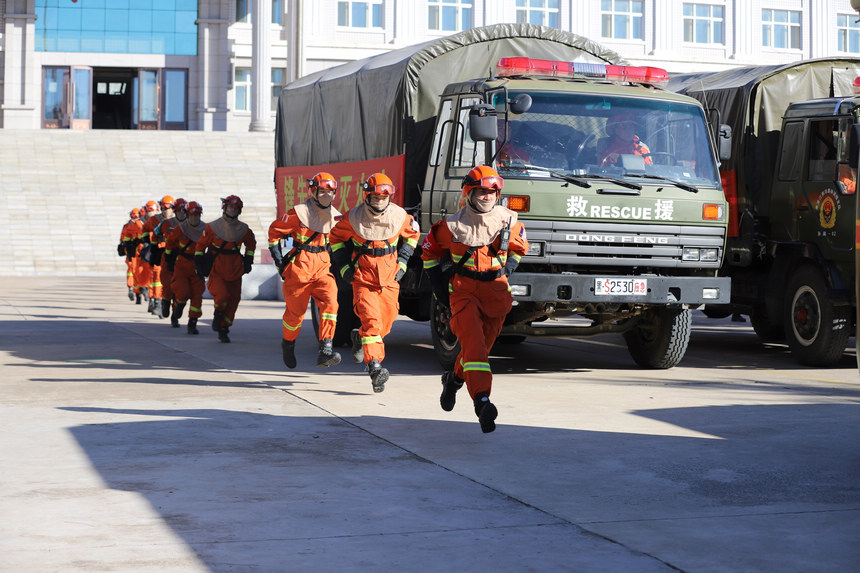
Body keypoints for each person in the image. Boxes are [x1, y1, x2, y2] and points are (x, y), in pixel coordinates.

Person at [421, 165, 529, 433]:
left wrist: (508, 270)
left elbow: (519, 250)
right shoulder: (450, 226)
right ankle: (482, 401)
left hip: (496, 292)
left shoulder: (510, 221)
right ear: (469, 193)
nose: (487, 196)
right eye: (481, 191)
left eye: (492, 192)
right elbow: (429, 254)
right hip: (464, 292)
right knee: (473, 344)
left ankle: (454, 381)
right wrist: (440, 290)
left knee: (478, 350)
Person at [329, 173, 420, 392]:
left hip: (390, 278)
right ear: (367, 196)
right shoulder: (353, 218)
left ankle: (359, 337)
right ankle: (375, 367)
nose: (379, 200)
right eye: (375, 196)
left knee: (385, 324)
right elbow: (335, 238)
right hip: (364, 279)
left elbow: (413, 236)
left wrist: (404, 262)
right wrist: (343, 267)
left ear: (390, 196)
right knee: (372, 323)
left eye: (383, 196)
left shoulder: (401, 216)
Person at [268, 172, 343, 369]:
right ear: (313, 191)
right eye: (322, 191)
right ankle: (288, 343)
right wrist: (279, 263)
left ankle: (325, 349)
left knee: (331, 303)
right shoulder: (297, 213)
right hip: (299, 268)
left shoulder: (336, 216)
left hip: (322, 268)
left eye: (330, 192)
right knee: (295, 316)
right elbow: (274, 232)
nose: (327, 195)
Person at [195, 195, 256, 343]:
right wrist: (198, 263)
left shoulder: (244, 229)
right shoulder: (212, 227)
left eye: (236, 208)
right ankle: (218, 315)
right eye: (230, 207)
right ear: (224, 208)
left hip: (236, 268)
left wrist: (248, 260)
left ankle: (224, 328)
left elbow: (251, 245)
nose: (233, 210)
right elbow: (200, 246)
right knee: (221, 295)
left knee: (234, 300)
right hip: (217, 267)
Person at [164, 201, 206, 334]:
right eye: (192, 215)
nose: (194, 218)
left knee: (197, 295)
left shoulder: (207, 229)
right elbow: (170, 244)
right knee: (182, 292)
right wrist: (169, 259)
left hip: (197, 266)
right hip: (181, 265)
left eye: (197, 215)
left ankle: (192, 323)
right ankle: (179, 308)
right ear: (187, 215)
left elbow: (213, 245)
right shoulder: (180, 229)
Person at [140, 196, 176, 318]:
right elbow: (145, 229)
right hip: (158, 252)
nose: (166, 210)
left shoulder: (178, 221)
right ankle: (157, 301)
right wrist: (146, 241)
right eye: (164, 207)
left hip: (174, 254)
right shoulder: (155, 220)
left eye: (169, 207)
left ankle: (172, 307)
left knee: (175, 281)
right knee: (156, 278)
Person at [118, 208, 141, 301]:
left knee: (133, 271)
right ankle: (136, 291)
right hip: (135, 252)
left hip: (135, 251)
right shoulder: (138, 225)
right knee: (135, 271)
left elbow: (122, 239)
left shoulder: (127, 226)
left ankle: (134, 289)